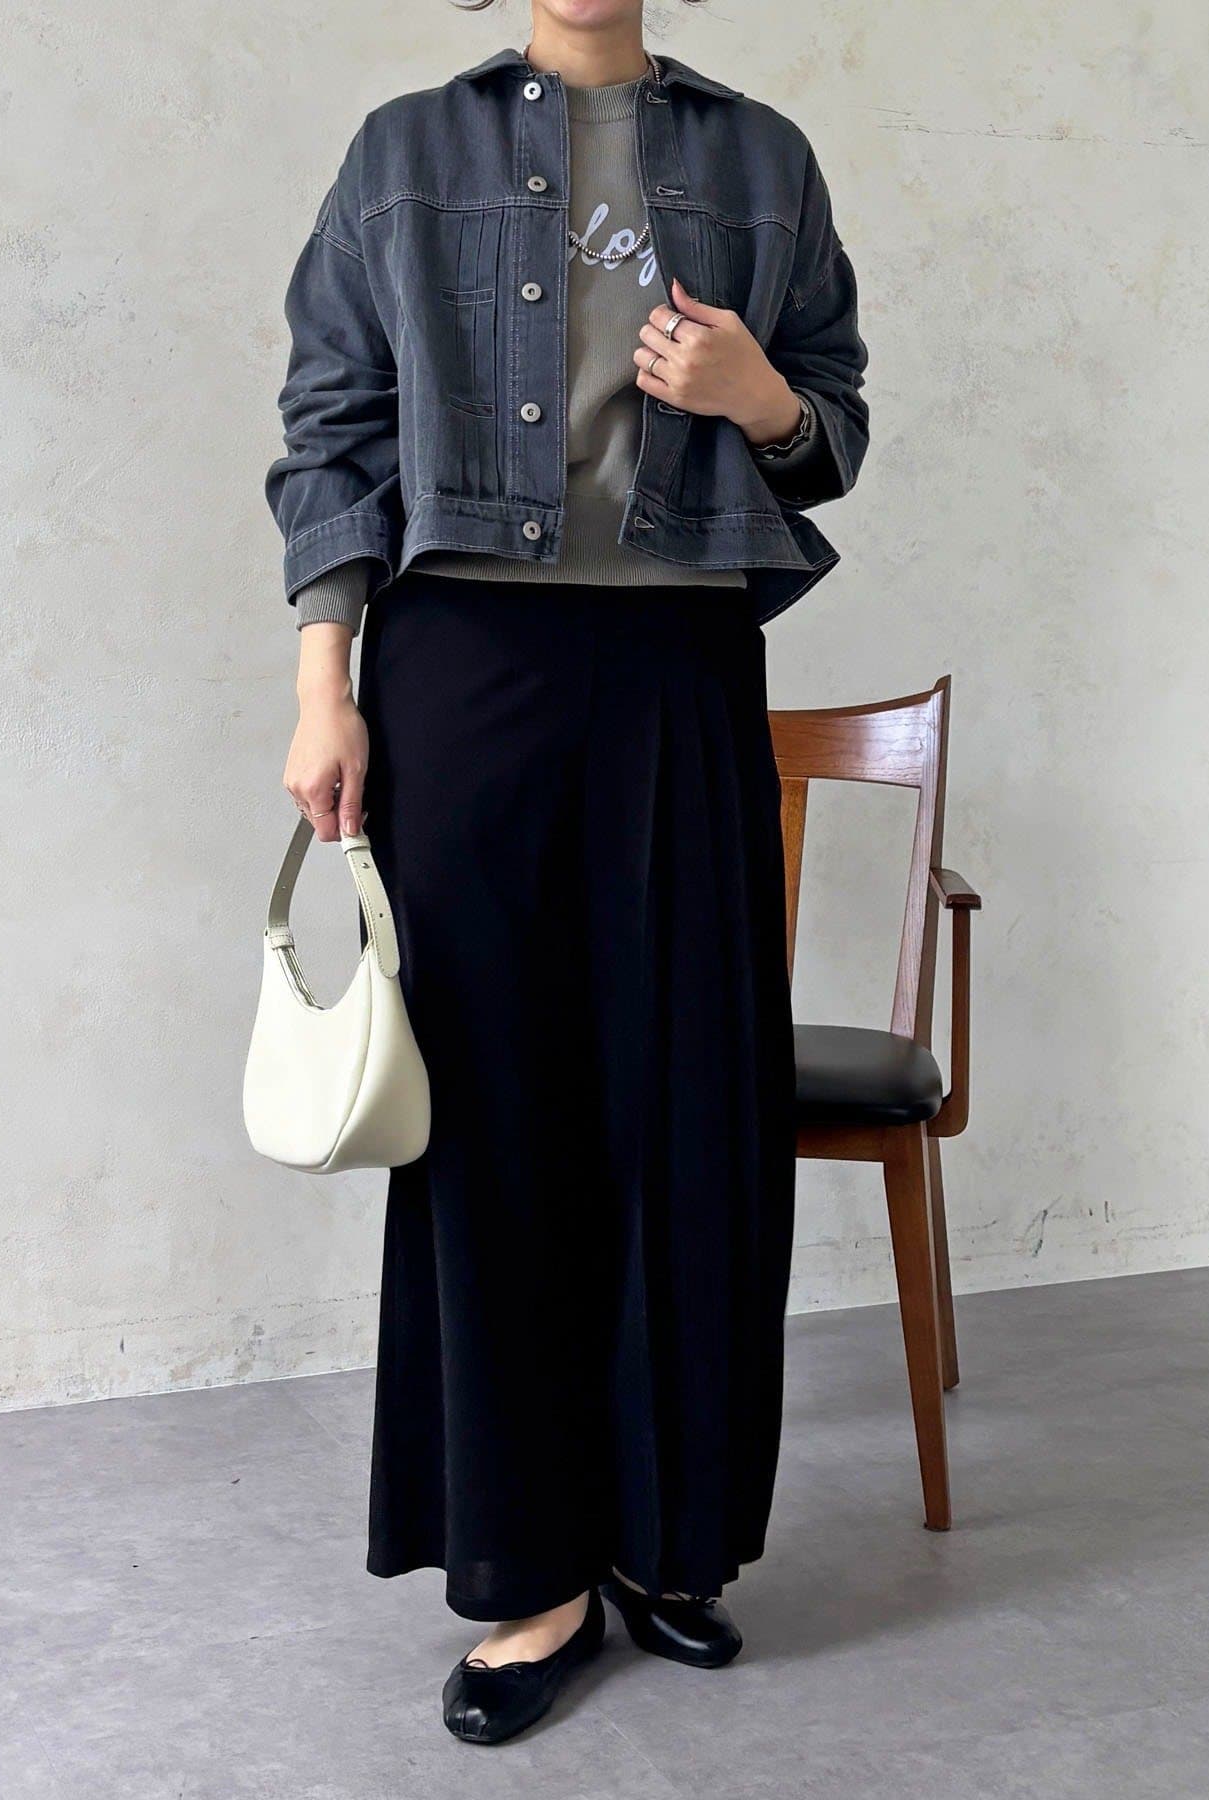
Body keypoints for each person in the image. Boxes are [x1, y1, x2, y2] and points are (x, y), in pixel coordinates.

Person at [268, 0, 868, 1746]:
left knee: (692, 1103)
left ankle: (672, 1541)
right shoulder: (407, 150)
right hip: (466, 667)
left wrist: (763, 399)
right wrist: (323, 685)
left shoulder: (764, 158)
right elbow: (332, 426)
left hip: (682, 662)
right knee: (499, 1117)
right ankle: (528, 1572)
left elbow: (833, 427)